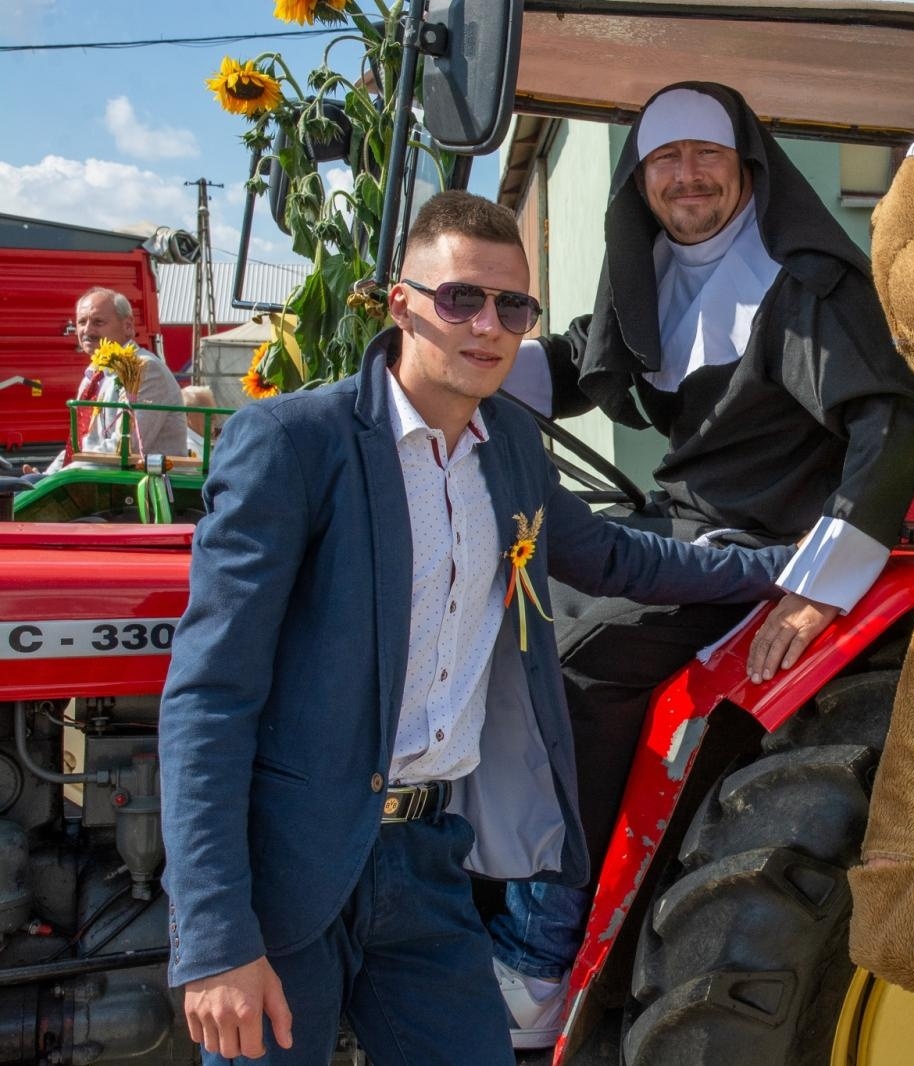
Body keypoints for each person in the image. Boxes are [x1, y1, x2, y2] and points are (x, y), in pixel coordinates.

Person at [159, 191, 794, 1065]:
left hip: (427, 860)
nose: (488, 326)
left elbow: (619, 560)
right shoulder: (295, 442)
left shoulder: (511, 448)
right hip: (292, 865)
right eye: (461, 298)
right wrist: (216, 934)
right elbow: (209, 695)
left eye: (512, 307)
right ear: (402, 304)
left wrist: (794, 568)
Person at [492, 81, 914, 1047]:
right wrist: (456, 361)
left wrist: (817, 587)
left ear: (748, 169)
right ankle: (486, 885)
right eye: (665, 160)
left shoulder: (806, 285)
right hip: (689, 529)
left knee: (582, 662)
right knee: (514, 607)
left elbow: (891, 419)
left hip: (773, 547)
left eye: (706, 157)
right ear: (641, 179)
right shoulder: (652, 268)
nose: (686, 177)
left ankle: (544, 948)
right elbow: (580, 359)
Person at [39, 287, 186, 473]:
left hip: (142, 483)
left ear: (128, 326)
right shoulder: (93, 375)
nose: (87, 330)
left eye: (98, 322)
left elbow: (124, 449)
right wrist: (45, 475)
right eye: (81, 322)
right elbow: (80, 447)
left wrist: (60, 477)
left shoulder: (143, 369)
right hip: (100, 477)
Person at [180, 383, 227, 455]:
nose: (215, 417)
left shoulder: (201, 441)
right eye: (207, 410)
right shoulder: (188, 446)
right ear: (187, 414)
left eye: (213, 409)